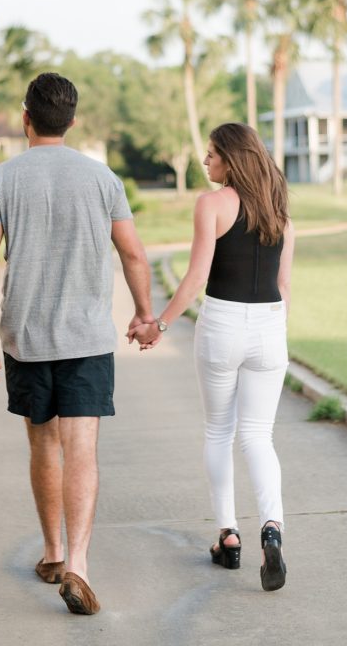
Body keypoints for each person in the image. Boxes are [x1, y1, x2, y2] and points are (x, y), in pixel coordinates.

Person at [0, 72, 155, 616]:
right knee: (83, 448)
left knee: (42, 443)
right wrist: (145, 315)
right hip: (87, 339)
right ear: (71, 121)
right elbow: (134, 254)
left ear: (26, 118)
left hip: (25, 339)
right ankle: (78, 565)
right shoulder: (102, 179)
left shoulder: (2, 178)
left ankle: (51, 552)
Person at [129, 122, 294, 591]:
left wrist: (157, 325)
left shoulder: (212, 205)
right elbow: (284, 288)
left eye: (211, 155)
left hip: (222, 325)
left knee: (220, 431)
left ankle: (229, 535)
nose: (206, 163)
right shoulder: (281, 215)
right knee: (259, 436)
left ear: (232, 159)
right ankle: (272, 527)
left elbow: (197, 275)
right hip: (270, 329)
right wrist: (273, 335)